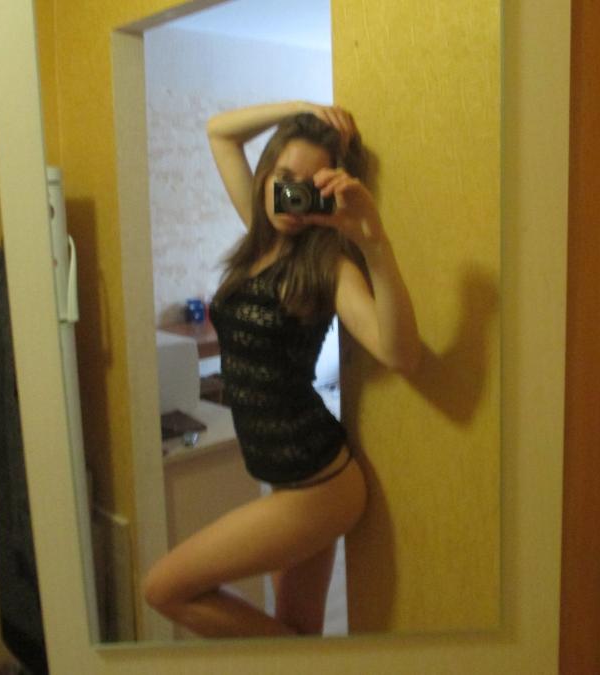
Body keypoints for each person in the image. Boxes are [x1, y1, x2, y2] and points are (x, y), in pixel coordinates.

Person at [141, 101, 421, 638]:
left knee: (164, 588)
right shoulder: (260, 236)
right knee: (297, 630)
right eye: (285, 177)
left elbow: (399, 354)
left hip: (319, 485)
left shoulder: (327, 265)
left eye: (311, 187)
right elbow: (220, 133)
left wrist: (373, 242)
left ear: (329, 195)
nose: (293, 196)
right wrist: (300, 108)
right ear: (266, 174)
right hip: (283, 476)